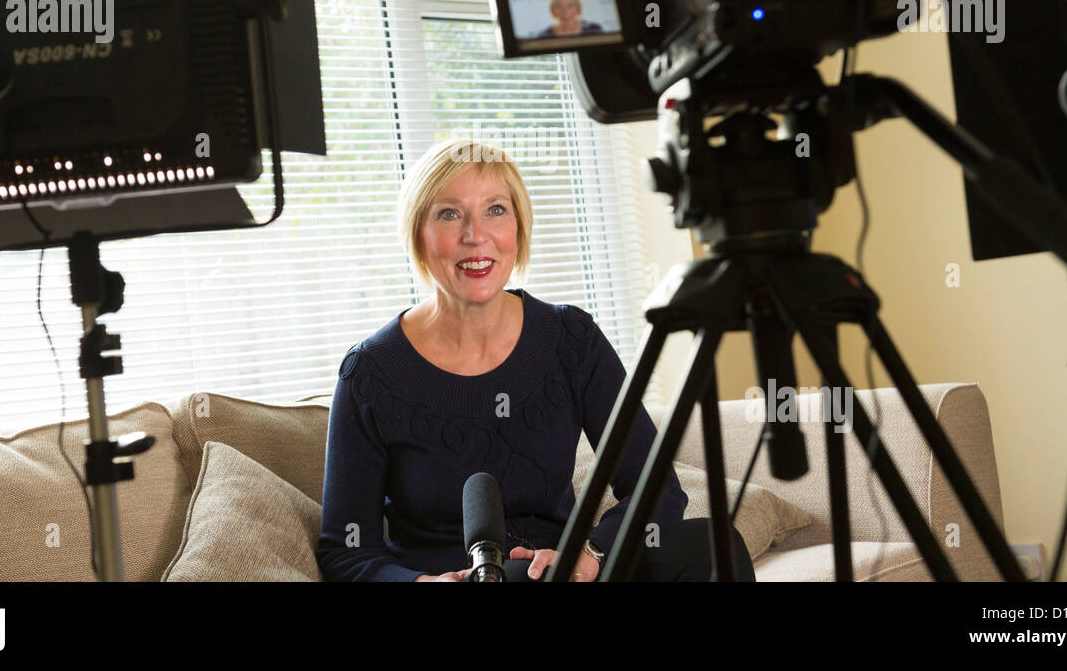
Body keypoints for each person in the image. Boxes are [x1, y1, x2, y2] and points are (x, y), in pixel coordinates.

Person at [314, 137, 755, 582]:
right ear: (418, 234)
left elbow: (655, 488)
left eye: (496, 210)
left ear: (519, 227)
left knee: (714, 547)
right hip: (453, 579)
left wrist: (594, 554)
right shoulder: (370, 373)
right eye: (449, 214)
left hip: (561, 573)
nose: (475, 235)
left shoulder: (571, 339)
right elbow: (347, 551)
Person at [532, 0, 604, 38]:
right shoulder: (545, 36)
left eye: (570, 6)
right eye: (559, 6)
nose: (565, 11)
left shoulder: (595, 29)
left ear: (578, 8)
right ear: (552, 10)